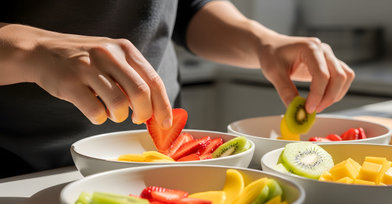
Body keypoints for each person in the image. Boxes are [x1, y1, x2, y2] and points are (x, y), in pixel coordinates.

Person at [0, 0, 354, 178]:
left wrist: (263, 42)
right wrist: (31, 49)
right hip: (14, 169)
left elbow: (187, 8)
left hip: (166, 162)